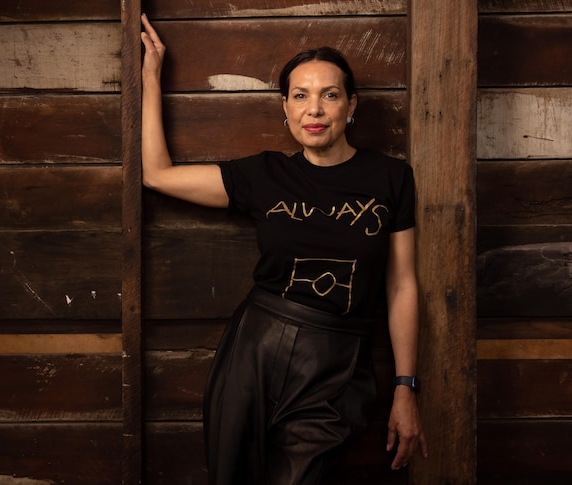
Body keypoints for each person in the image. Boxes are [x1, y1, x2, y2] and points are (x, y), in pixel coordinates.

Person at [140, 14, 428, 484]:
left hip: (336, 361)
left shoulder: (392, 178)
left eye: (329, 95)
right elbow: (156, 174)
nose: (314, 109)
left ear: (350, 106)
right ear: (286, 109)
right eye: (300, 96)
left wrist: (405, 385)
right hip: (255, 349)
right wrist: (151, 75)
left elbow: (400, 286)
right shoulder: (264, 175)